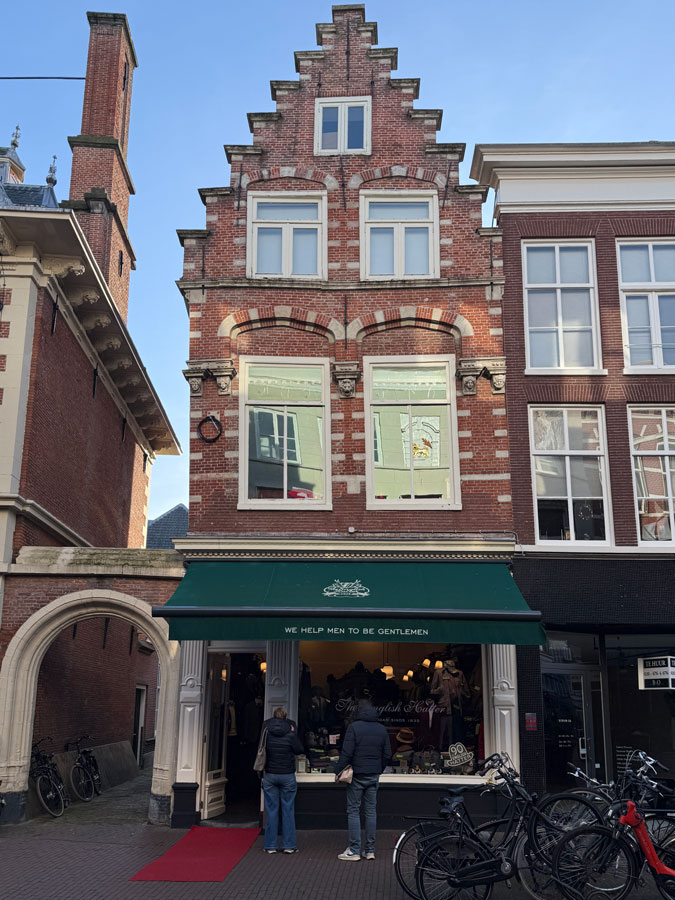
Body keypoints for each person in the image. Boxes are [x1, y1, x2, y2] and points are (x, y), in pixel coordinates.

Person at [334, 701, 391, 861]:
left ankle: (354, 850)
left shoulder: (354, 727)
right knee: (371, 811)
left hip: (357, 775)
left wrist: (337, 770)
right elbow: (387, 754)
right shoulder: (382, 729)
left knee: (353, 811)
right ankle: (370, 850)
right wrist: (378, 768)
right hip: (373, 774)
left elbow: (347, 752)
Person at [261, 707, 304, 854]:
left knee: (272, 810)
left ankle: (270, 846)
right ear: (285, 717)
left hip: (270, 774)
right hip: (287, 775)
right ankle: (289, 846)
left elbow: (260, 749)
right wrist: (292, 733)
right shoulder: (290, 733)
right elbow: (299, 750)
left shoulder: (266, 731)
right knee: (288, 810)